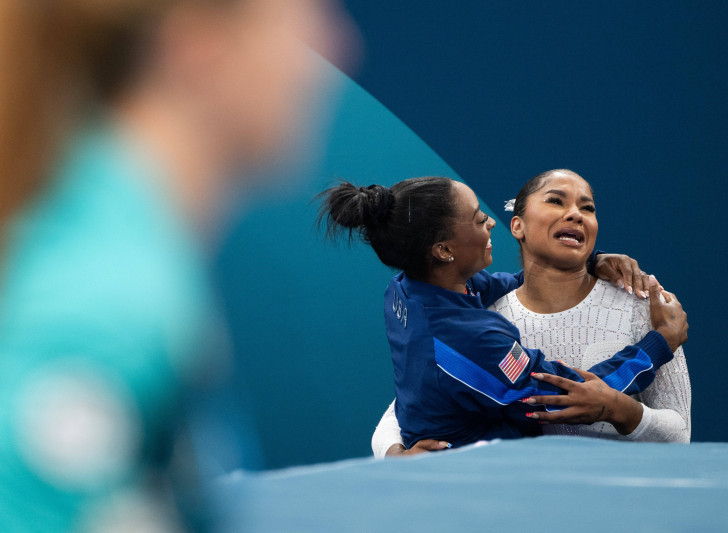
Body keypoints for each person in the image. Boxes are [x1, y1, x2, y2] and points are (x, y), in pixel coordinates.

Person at [0, 1, 350, 531]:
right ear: (197, 43)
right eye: (301, 16)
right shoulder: (109, 303)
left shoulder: (113, 242)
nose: (336, 49)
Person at [318, 178, 688, 453]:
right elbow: (568, 396)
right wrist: (659, 344)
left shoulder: (407, 287)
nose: (491, 222)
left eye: (588, 207)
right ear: (445, 249)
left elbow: (494, 283)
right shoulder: (474, 338)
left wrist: (590, 261)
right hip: (476, 498)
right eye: (479, 220)